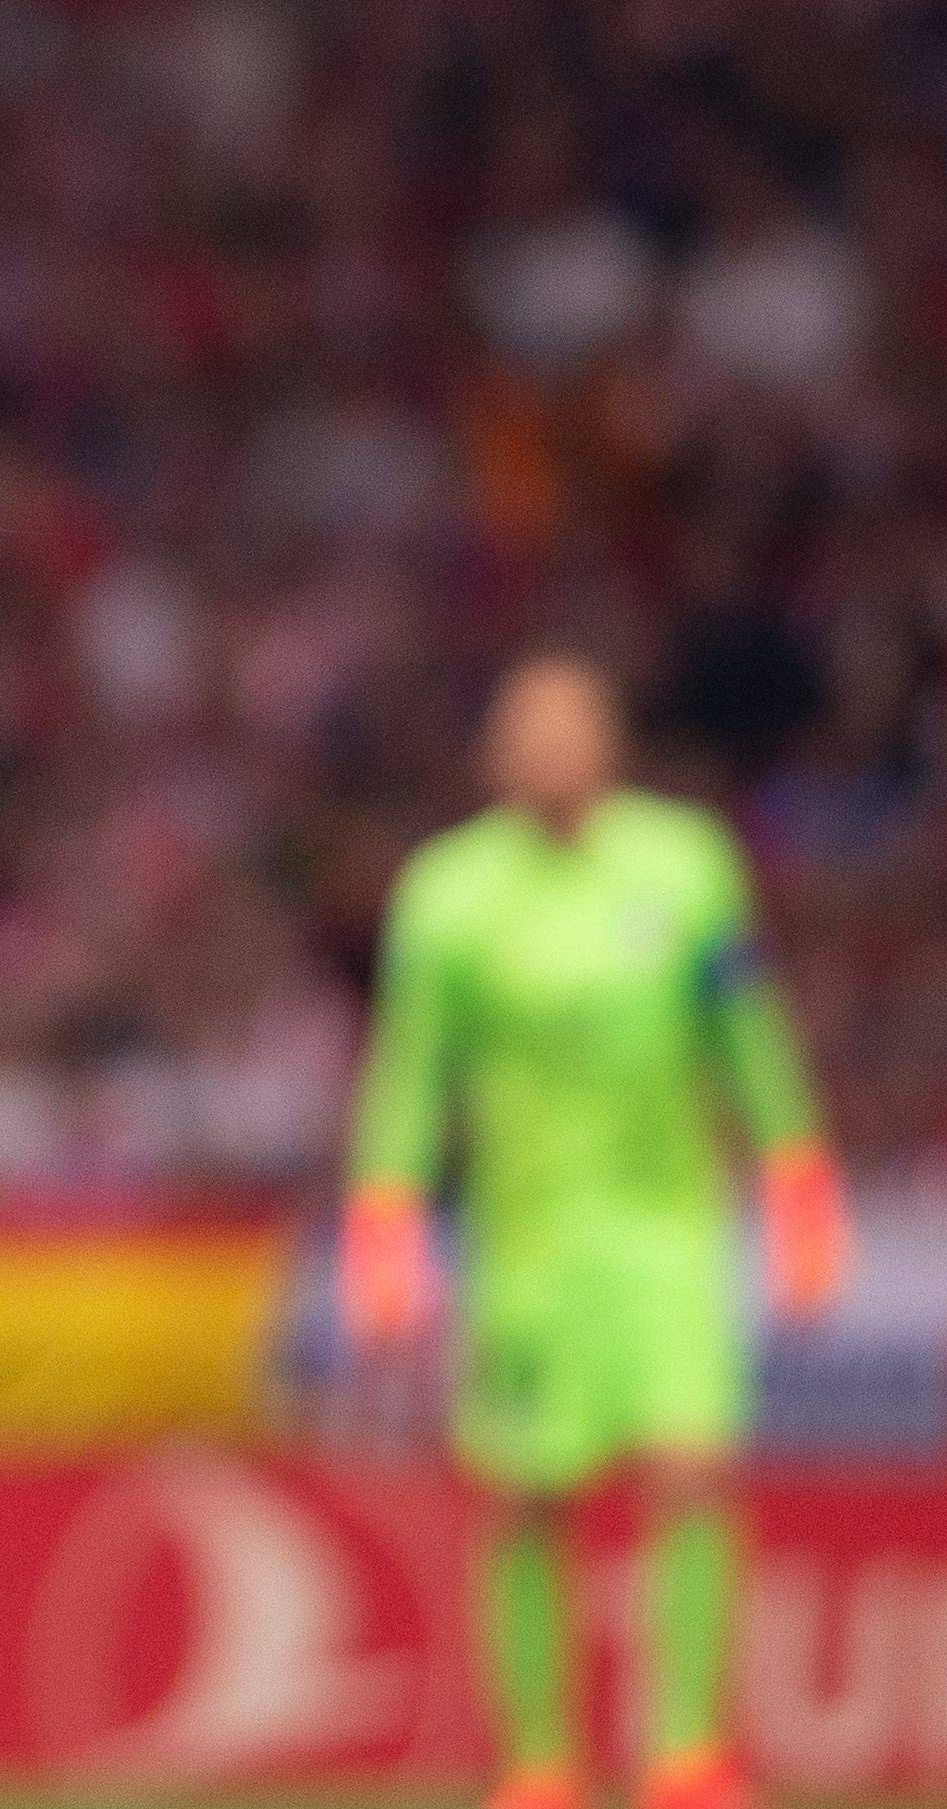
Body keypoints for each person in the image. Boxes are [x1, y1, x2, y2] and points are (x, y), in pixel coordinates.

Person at [341, 654, 850, 1809]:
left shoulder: (684, 867)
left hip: (667, 1230)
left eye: (568, 728)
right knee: (524, 1497)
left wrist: (796, 1173)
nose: (547, 751)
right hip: (523, 1247)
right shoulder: (446, 893)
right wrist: (384, 1212)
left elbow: (744, 1030)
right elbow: (410, 1072)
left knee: (692, 1469)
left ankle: (686, 1755)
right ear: (491, 754)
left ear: (608, 743)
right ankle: (540, 1763)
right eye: (525, 731)